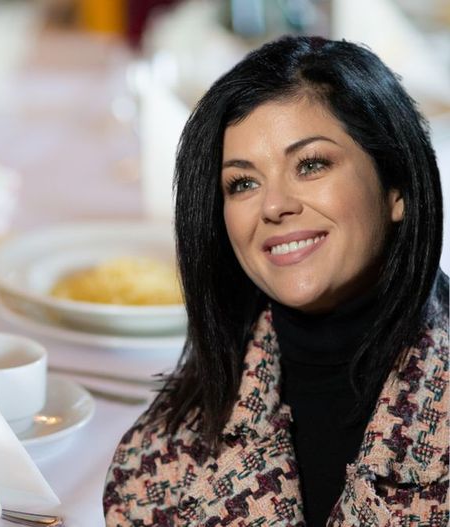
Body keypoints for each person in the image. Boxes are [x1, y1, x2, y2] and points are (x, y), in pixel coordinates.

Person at [104, 35, 447, 526]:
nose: (273, 205)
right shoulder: (160, 463)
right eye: (243, 183)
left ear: (398, 189)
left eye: (311, 165)